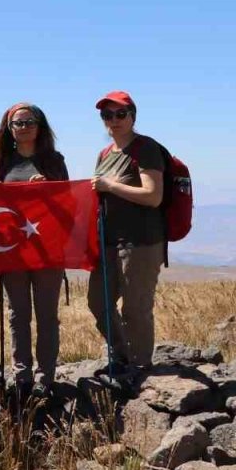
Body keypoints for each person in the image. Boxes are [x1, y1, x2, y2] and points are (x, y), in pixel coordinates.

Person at [0, 103, 69, 399]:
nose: (24, 127)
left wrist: (49, 187)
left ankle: (45, 377)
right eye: (17, 123)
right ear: (8, 129)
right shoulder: (2, 161)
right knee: (17, 314)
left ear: (40, 125)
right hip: (13, 251)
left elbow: (68, 202)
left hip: (47, 250)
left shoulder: (54, 161)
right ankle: (21, 375)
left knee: (47, 315)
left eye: (30, 121)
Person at [89, 91, 165, 373]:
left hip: (141, 241)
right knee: (99, 304)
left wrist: (111, 186)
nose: (114, 120)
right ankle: (122, 357)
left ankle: (140, 367)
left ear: (133, 116)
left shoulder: (145, 148)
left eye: (120, 114)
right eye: (107, 115)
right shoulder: (105, 154)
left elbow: (152, 195)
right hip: (107, 241)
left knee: (135, 309)